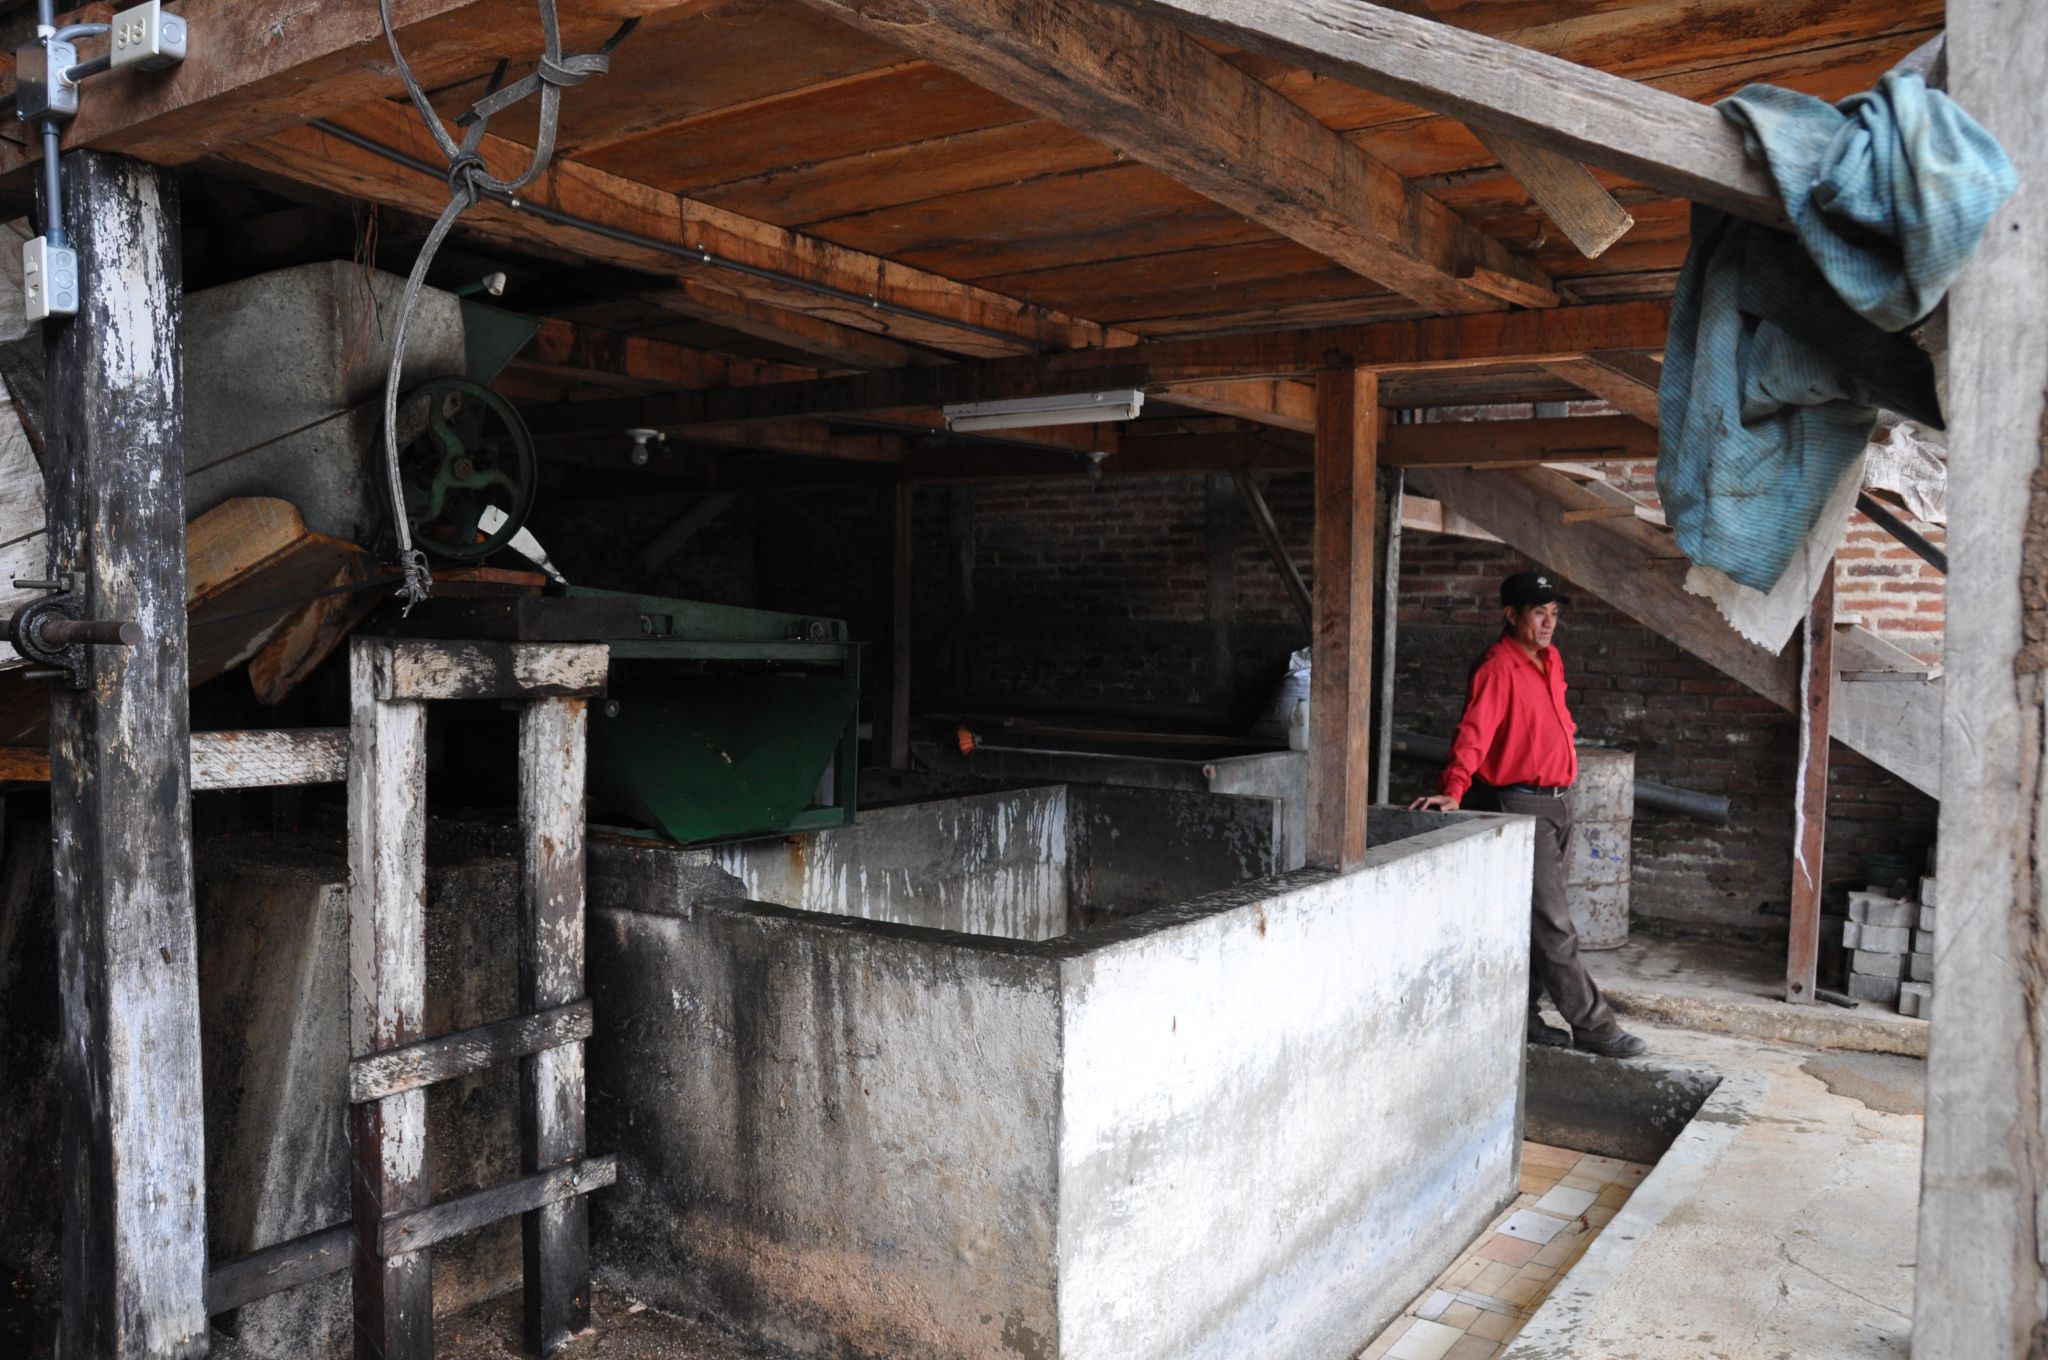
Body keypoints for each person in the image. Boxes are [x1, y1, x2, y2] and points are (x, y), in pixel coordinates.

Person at [1409, 570, 1647, 1059]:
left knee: (1534, 919)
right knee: (1553, 922)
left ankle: (1524, 1017)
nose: (1548, 623)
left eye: (1553, 613)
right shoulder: (1497, 666)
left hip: (1559, 801)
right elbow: (1473, 733)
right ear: (1511, 615)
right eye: (1539, 613)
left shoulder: (1550, 659)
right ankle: (1594, 1025)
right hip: (1519, 804)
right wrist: (1454, 789)